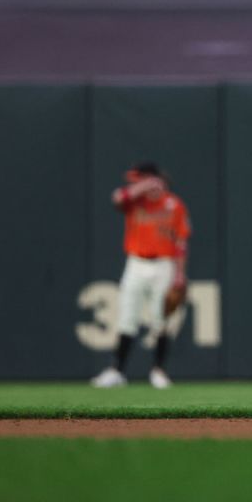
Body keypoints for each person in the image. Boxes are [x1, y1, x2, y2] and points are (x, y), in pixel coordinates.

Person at [91, 161, 191, 389]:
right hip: (136, 262)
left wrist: (180, 274)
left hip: (163, 264)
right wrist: (142, 187)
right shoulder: (135, 201)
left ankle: (159, 372)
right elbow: (117, 199)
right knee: (127, 317)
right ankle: (116, 371)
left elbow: (181, 242)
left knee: (160, 319)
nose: (136, 183)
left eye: (142, 179)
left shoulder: (174, 205)